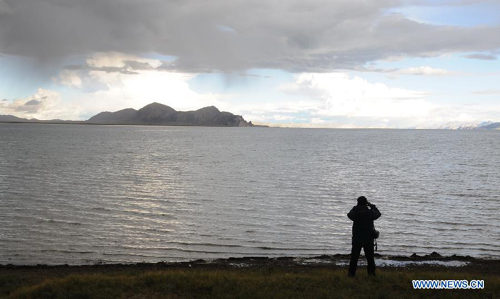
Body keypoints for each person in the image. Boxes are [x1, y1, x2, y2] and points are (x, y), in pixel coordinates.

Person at [347, 196, 381, 277]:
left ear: (358, 203)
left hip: (357, 238)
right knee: (370, 259)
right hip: (368, 239)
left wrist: (356, 207)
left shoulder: (355, 212)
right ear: (366, 203)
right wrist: (372, 206)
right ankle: (371, 275)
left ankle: (351, 275)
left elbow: (349, 215)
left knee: (354, 259)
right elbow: (378, 214)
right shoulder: (370, 212)